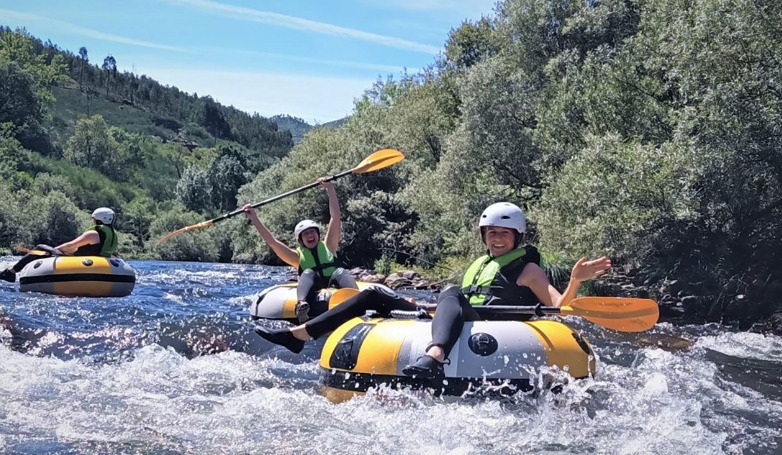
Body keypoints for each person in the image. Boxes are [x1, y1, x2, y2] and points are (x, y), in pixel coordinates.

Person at [254, 202, 610, 365]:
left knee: (451, 291)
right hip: (457, 316)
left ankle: (436, 353)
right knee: (374, 293)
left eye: (503, 234)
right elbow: (456, 304)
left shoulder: (528, 269)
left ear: (517, 236)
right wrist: (429, 308)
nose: (496, 239)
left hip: (493, 324)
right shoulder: (483, 263)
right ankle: (300, 336)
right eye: (491, 234)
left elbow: (557, 306)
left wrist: (576, 281)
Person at [243, 177, 358, 323]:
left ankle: (358, 300)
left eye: (312, 232)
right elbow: (273, 242)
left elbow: (335, 218)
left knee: (341, 271)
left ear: (317, 234)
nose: (310, 235)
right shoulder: (296, 257)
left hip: (333, 285)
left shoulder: (329, 245)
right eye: (305, 234)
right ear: (301, 239)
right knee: (308, 272)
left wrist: (330, 189)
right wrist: (254, 218)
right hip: (313, 288)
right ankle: (302, 305)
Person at [0, 207, 119, 283]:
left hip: (80, 263)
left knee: (41, 247)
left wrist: (54, 250)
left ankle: (10, 272)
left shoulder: (93, 234)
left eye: (93, 219)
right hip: (99, 265)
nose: (92, 221)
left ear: (99, 219)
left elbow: (70, 246)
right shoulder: (112, 235)